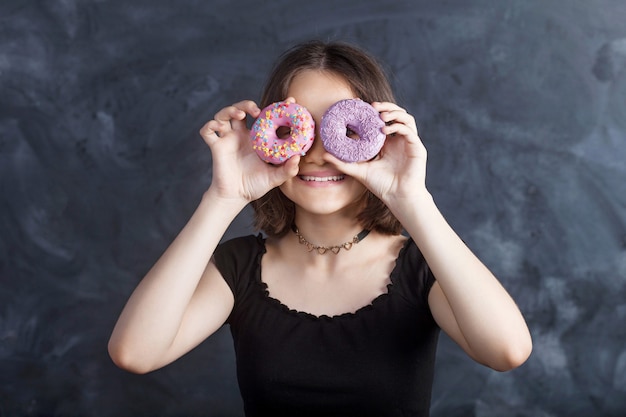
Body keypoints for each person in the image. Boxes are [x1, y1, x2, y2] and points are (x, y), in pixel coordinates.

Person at [108, 40, 532, 416]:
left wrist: (412, 201)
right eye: (302, 129)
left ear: (377, 135)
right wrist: (223, 199)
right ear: (267, 137)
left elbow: (506, 351)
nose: (319, 154)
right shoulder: (238, 268)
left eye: (341, 128)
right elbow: (135, 353)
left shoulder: (423, 270)